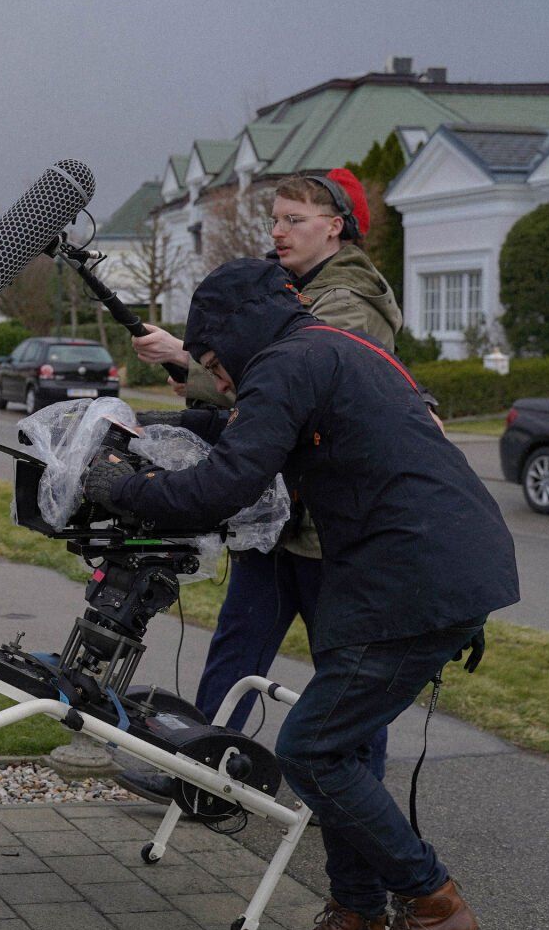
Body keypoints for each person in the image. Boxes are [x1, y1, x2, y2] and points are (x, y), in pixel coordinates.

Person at [83, 258, 516, 930]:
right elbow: (241, 432)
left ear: (238, 335)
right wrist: (151, 425)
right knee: (343, 745)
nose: (218, 379)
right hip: (412, 567)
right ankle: (356, 916)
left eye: (215, 361)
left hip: (415, 576)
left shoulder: (290, 362)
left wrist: (128, 488)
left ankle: (433, 905)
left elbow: (226, 484)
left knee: (313, 750)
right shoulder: (321, 350)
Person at [116, 170, 408, 803]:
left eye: (294, 220)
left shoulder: (349, 303)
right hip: (278, 519)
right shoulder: (293, 291)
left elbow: (288, 388)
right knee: (236, 650)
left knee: (346, 672)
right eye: (274, 219)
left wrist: (193, 363)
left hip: (330, 528)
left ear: (335, 227)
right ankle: (200, 776)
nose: (277, 231)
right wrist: (199, 365)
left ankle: (361, 800)